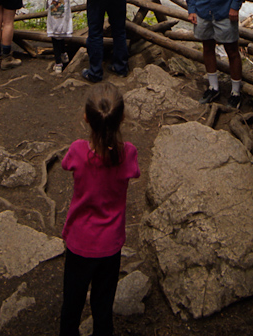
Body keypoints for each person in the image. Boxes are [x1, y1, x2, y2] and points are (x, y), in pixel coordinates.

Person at [60, 82, 140, 336]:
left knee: (71, 303)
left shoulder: (77, 151)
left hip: (79, 242)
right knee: (103, 307)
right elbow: (132, 171)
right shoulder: (128, 154)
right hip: (110, 245)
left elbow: (66, 164)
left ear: (85, 118)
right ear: (123, 118)